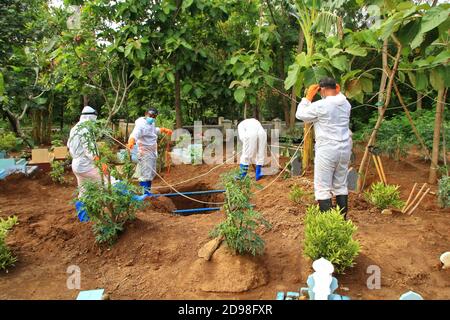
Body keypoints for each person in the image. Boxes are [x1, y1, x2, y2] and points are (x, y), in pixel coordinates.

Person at [296, 77, 352, 218]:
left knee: (322, 188)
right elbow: (336, 99)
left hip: (327, 150)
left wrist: (308, 98)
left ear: (323, 90)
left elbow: (300, 114)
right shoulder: (346, 104)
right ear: (336, 88)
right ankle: (341, 221)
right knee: (340, 185)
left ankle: (328, 225)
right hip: (344, 149)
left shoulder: (321, 105)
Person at [67, 106, 105, 222]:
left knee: (83, 191)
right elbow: (90, 151)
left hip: (76, 164)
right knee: (108, 181)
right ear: (90, 117)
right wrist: (101, 164)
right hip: (86, 164)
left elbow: (68, 145)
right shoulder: (85, 130)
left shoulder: (75, 128)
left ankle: (84, 218)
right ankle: (128, 202)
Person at [127, 108, 172, 195]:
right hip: (145, 152)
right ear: (146, 114)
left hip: (152, 152)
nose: (152, 117)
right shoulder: (141, 124)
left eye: (154, 116)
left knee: (151, 173)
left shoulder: (151, 123)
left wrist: (163, 130)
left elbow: (153, 131)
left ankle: (148, 192)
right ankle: (145, 194)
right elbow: (135, 133)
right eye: (150, 116)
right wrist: (131, 141)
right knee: (146, 174)